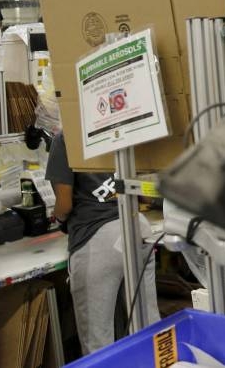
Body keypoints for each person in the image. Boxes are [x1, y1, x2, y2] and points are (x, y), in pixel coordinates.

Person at [45, 131, 160, 355]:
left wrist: (57, 218)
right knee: (149, 326)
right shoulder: (116, 127)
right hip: (137, 228)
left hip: (99, 239)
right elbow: (143, 189)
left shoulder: (66, 139)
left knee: (98, 343)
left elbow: (64, 204)